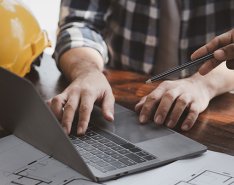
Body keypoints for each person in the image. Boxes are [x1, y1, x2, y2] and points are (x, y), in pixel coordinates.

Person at [48, 0, 234, 135]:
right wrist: (87, 72)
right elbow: (79, 24)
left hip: (213, 99)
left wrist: (202, 84)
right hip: (122, 102)